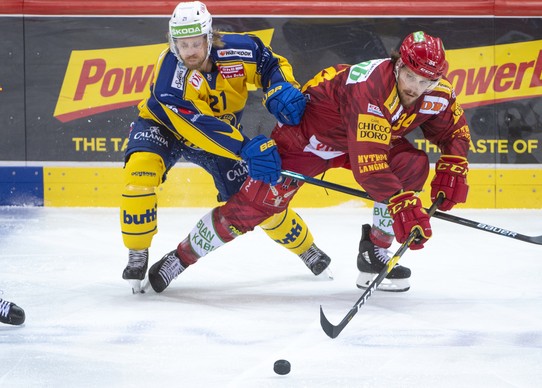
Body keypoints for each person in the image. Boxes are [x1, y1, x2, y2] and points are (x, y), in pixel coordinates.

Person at [148, 30, 471, 293]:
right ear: (397, 63)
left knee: (411, 166)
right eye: (410, 76)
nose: (415, 88)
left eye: (425, 81)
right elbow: (369, 164)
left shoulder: (437, 92)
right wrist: (400, 202)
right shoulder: (371, 89)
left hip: (356, 143)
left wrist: (455, 161)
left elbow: (453, 129)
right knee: (253, 206)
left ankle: (374, 252)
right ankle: (181, 257)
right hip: (306, 140)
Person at [120, 1, 331, 294]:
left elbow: (269, 63)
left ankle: (306, 248)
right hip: (165, 129)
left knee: (257, 199)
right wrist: (244, 147)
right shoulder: (170, 74)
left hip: (220, 139)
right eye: (183, 44)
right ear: (173, 42)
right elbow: (196, 124)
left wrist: (280, 86)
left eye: (196, 42)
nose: (190, 51)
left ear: (210, 37)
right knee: (139, 178)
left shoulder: (238, 51)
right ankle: (137, 252)